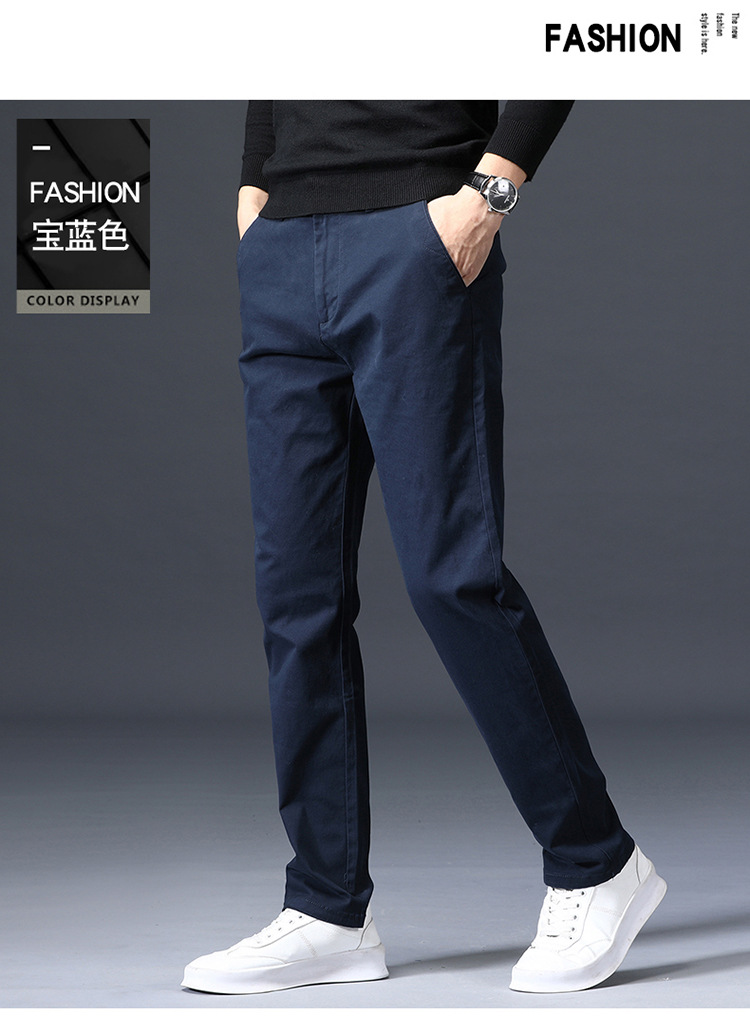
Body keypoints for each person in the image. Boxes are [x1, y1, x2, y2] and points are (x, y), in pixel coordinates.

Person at [182, 100, 666, 996]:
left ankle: (596, 861)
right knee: (296, 597)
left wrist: (489, 195)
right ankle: (328, 907)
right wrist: (254, 190)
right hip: (284, 245)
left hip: (418, 232)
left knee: (454, 578)